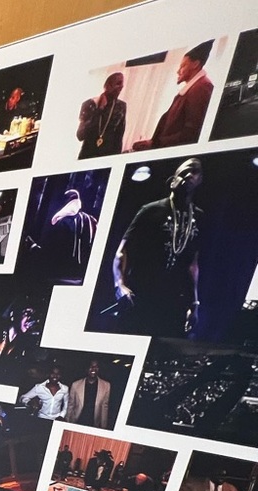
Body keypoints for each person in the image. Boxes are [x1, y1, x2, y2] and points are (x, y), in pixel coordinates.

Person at [113, 157, 203, 338]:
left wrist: (194, 304)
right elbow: (122, 250)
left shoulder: (200, 217)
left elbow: (192, 264)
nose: (188, 175)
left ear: (200, 180)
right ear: (173, 179)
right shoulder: (150, 210)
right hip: (140, 294)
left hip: (172, 301)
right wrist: (120, 284)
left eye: (193, 171)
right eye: (183, 171)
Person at [133, 41, 214, 151]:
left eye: (182, 66)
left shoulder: (201, 88)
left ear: (195, 64)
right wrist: (153, 142)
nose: (178, 71)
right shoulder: (194, 87)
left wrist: (157, 144)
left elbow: (192, 132)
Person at [77, 72, 127, 157]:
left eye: (122, 84)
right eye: (118, 83)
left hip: (108, 156)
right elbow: (80, 135)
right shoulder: (90, 104)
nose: (121, 86)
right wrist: (99, 110)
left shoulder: (121, 106)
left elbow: (119, 135)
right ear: (107, 86)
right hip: (88, 155)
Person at [65, 360, 111, 428]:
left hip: (94, 424)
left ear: (99, 369)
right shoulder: (75, 384)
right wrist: (67, 422)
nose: (93, 368)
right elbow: (71, 404)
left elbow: (104, 407)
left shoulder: (106, 385)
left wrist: (103, 426)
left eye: (96, 366)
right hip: (77, 421)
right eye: (91, 366)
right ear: (87, 369)